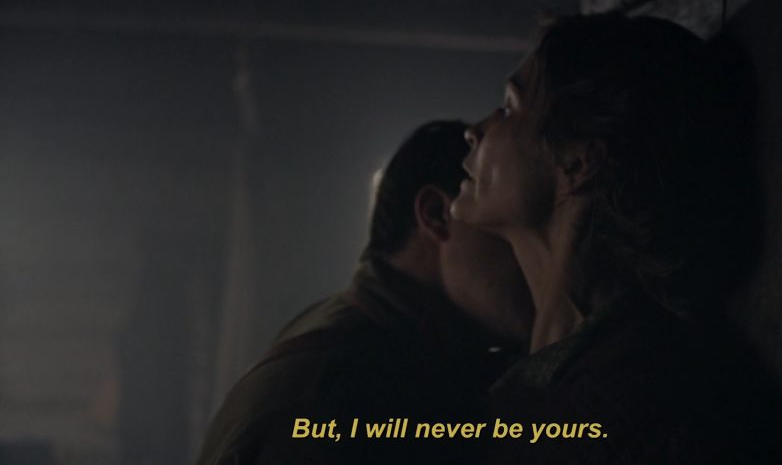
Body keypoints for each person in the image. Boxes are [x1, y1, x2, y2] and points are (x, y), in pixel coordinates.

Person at [451, 13, 782, 463]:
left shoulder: (634, 408)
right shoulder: (572, 375)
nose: (474, 131)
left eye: (508, 107)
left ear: (579, 161)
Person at [196, 120, 533, 464]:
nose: (536, 258)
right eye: (512, 229)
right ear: (436, 215)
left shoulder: (374, 351)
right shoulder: (349, 388)